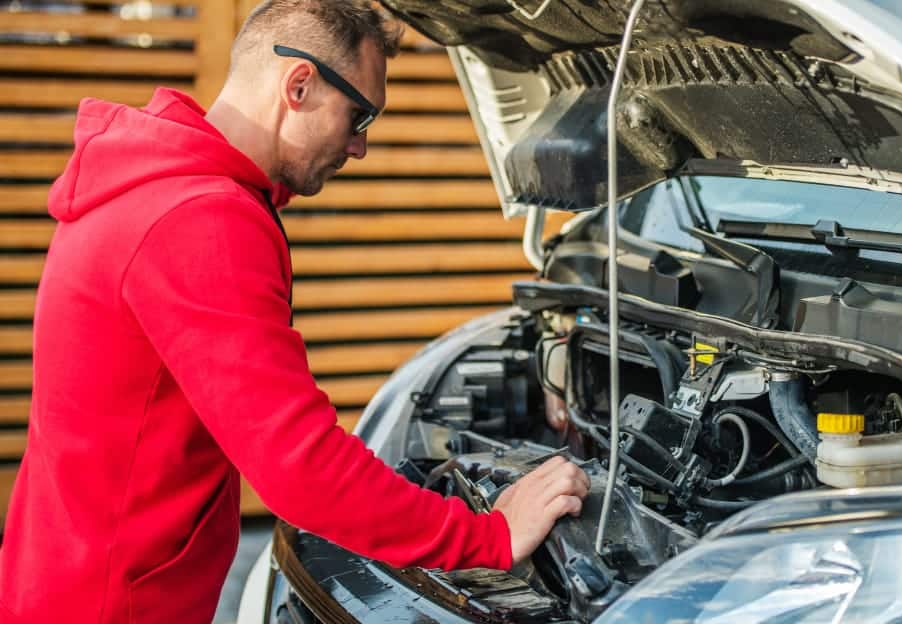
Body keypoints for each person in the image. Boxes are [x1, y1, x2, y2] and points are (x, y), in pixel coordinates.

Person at [0, 2, 590, 622]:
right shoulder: (199, 221)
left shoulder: (148, 182)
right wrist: (489, 536)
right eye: (359, 114)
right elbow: (299, 466)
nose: (359, 145)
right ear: (299, 85)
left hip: (65, 577)